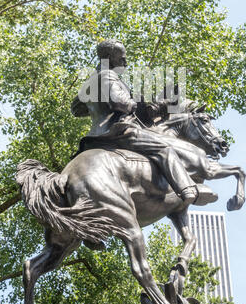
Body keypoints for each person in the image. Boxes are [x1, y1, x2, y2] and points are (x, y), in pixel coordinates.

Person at [71, 39, 198, 204]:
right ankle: (187, 190)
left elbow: (76, 108)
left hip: (91, 141)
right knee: (165, 149)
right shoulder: (109, 75)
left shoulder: (91, 82)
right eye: (121, 58)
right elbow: (120, 102)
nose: (125, 61)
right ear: (108, 57)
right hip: (118, 133)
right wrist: (136, 104)